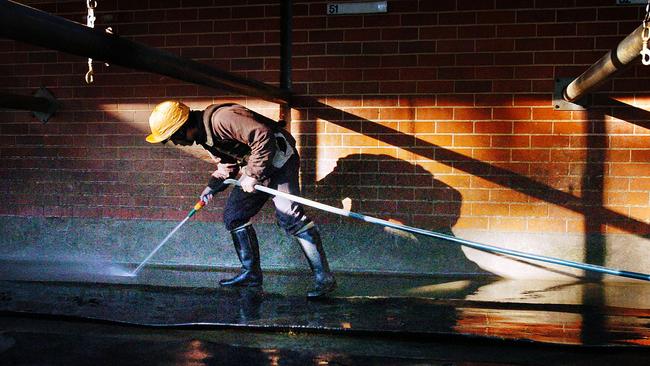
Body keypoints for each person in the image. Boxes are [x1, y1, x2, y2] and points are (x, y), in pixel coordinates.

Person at [145, 100, 337, 298]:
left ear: (183, 127)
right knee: (234, 216)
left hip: (280, 160)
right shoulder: (205, 136)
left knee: (290, 217)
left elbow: (263, 136)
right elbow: (228, 165)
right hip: (258, 165)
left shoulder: (222, 119)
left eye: (173, 137)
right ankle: (251, 275)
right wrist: (212, 187)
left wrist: (253, 174)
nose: (176, 143)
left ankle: (324, 279)